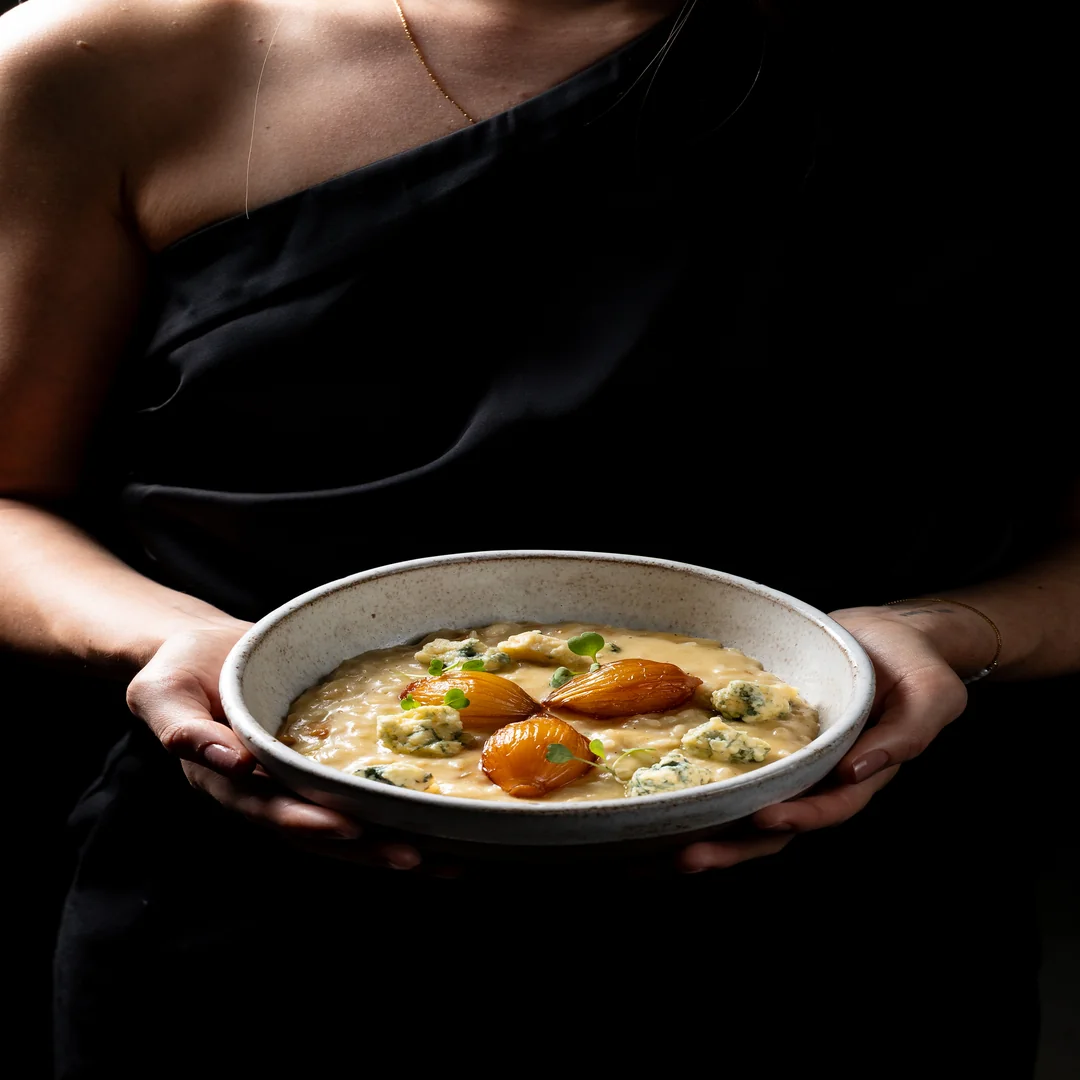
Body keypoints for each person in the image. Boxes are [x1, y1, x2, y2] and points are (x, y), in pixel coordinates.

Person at [1, 0, 1073, 1075]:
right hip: (251, 934)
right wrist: (169, 641)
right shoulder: (100, 62)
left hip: (849, 932)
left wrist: (955, 630)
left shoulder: (995, 80)